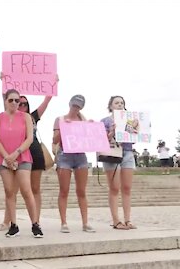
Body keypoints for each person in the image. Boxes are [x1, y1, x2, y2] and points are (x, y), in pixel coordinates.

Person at [0, 89, 43, 238]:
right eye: (11, 100)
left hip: (22, 157)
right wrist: (7, 156)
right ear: (5, 101)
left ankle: (35, 224)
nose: (14, 103)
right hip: (3, 158)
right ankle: (13, 225)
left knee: (26, 190)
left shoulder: (26, 117)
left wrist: (16, 153)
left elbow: (29, 138)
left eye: (17, 101)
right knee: (9, 191)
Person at [52, 94, 95, 233]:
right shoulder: (60, 119)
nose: (76, 108)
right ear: (70, 104)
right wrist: (64, 128)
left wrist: (92, 127)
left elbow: (91, 138)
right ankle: (64, 222)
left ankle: (85, 222)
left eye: (78, 106)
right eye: (74, 105)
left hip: (80, 155)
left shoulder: (83, 120)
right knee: (64, 190)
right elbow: (55, 139)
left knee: (81, 191)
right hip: (65, 155)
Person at [100, 96, 137, 230]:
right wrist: (112, 131)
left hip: (127, 152)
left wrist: (135, 130)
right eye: (116, 103)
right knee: (114, 187)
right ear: (111, 106)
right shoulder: (104, 121)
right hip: (112, 153)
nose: (120, 105)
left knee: (127, 187)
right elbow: (100, 140)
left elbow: (133, 140)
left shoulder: (129, 120)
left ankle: (128, 220)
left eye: (122, 103)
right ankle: (116, 220)